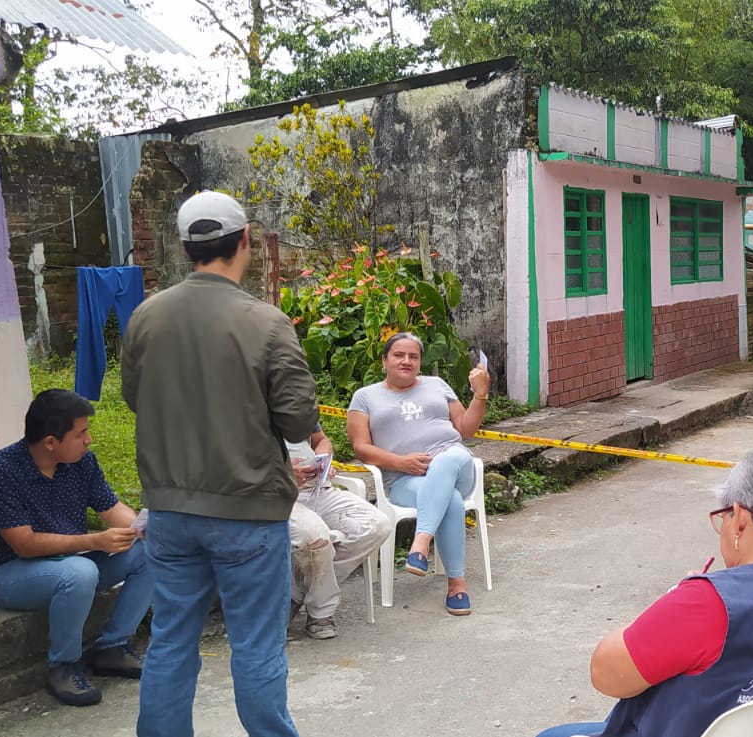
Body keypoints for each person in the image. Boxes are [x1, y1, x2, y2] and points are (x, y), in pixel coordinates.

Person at [124, 190, 318, 737]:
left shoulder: (146, 315)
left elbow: (136, 397)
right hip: (247, 510)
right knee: (256, 645)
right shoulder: (265, 321)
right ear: (246, 242)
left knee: (171, 639)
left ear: (186, 248)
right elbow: (299, 424)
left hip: (168, 509)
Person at [536, 451, 753, 737]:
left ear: (739, 520)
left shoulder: (707, 603)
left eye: (722, 518)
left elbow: (607, 675)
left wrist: (675, 601)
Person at [0, 389, 153, 707]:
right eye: (81, 433)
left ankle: (112, 648)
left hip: (67, 560)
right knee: (80, 572)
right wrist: (94, 541)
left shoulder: (81, 463)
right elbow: (24, 544)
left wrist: (145, 528)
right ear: (50, 442)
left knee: (153, 550)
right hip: (8, 573)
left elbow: (112, 511)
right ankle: (63, 666)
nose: (89, 440)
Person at [346, 332, 489, 615]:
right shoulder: (364, 397)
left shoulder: (436, 385)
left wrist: (480, 394)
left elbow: (466, 429)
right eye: (399, 355)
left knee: (447, 460)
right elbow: (361, 448)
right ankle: (457, 586)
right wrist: (399, 463)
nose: (406, 361)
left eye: (413, 356)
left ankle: (421, 541)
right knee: (450, 502)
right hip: (403, 481)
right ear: (384, 360)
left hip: (455, 465)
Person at [287, 424, 389, 639]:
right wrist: (282, 474)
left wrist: (323, 459)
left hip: (318, 488)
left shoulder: (296, 402)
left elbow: (321, 439)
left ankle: (296, 593)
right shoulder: (247, 408)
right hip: (279, 493)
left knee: (377, 525)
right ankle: (321, 612)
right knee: (315, 538)